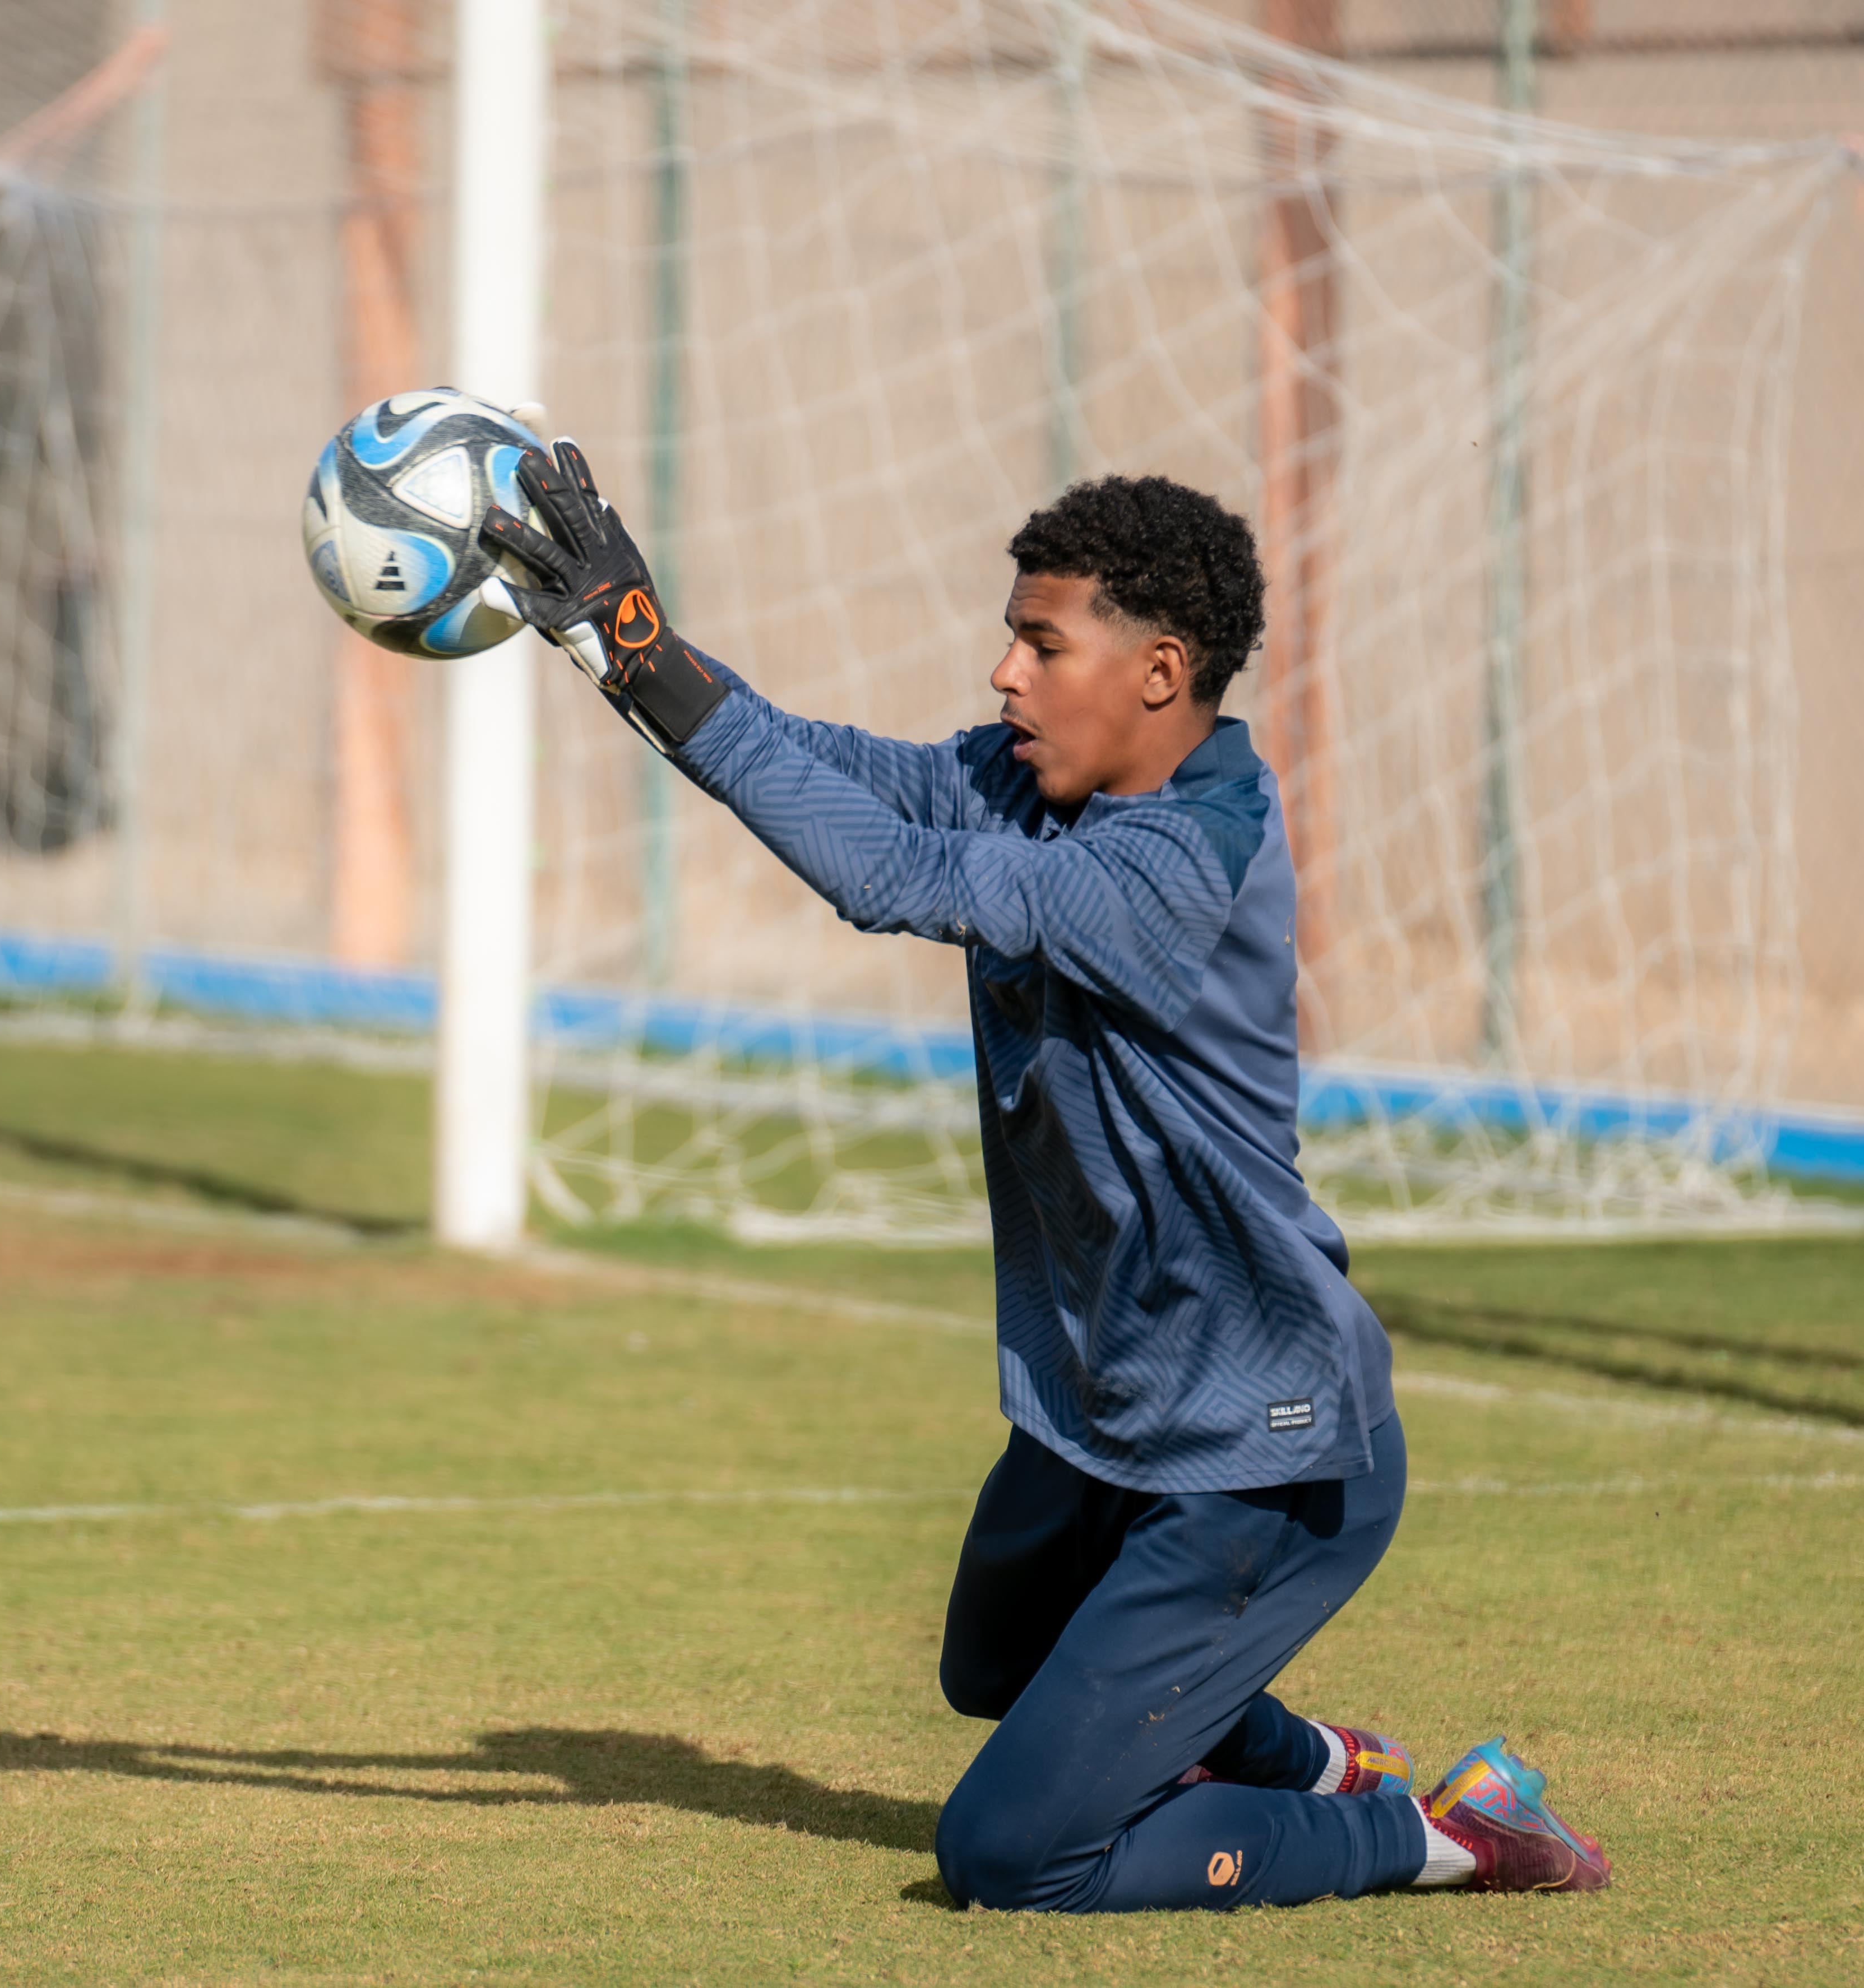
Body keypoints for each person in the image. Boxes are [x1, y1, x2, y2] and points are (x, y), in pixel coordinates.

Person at [477, 443, 1609, 1913]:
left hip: (1257, 1450)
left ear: (1157, 671)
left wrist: (649, 665)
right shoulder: (1027, 785)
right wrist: (630, 654)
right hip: (1105, 1414)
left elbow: (893, 876)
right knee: (994, 1664)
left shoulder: (1181, 860)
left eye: (1039, 640)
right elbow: (838, 770)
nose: (1003, 671)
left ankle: (1451, 1835)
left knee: (1010, 1854)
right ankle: (1327, 1763)